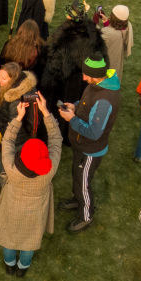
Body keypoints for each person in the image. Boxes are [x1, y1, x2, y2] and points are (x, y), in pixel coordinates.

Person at [0, 95, 61, 277]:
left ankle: (10, 264)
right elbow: (55, 139)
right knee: (29, 242)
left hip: (12, 209)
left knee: (9, 239)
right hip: (36, 213)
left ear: (22, 156)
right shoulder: (49, 170)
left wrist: (18, 117)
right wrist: (46, 112)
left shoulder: (12, 169)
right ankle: (23, 267)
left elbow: (7, 142)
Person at [57, 54, 119, 232]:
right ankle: (78, 200)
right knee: (77, 176)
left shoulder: (105, 100)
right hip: (80, 145)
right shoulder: (97, 84)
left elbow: (93, 132)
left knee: (83, 181)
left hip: (90, 149)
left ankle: (86, 215)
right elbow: (86, 104)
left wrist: (71, 119)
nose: (83, 78)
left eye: (86, 75)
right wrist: (76, 107)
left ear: (96, 75)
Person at [98, 4, 132, 80]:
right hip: (116, 64)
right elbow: (115, 30)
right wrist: (106, 22)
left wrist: (95, 23)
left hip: (107, 65)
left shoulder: (108, 33)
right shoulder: (127, 27)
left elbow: (94, 39)